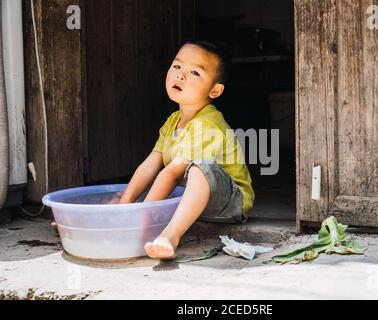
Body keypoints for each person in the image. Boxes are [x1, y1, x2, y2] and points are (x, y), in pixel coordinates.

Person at [54, 41, 255, 260]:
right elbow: (151, 164)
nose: (181, 76)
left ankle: (170, 236)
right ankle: (94, 221)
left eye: (195, 72)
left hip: (229, 204)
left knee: (199, 169)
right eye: (177, 67)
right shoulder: (173, 121)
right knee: (139, 186)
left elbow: (171, 173)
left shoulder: (208, 124)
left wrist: (138, 222)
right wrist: (125, 204)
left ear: (215, 90)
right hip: (191, 199)